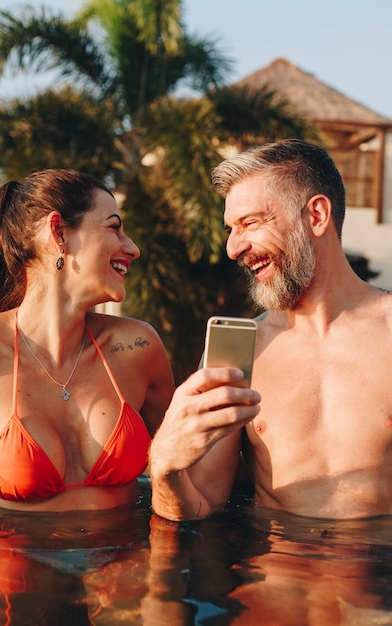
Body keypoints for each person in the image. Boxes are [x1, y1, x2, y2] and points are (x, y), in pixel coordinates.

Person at [149, 138, 392, 521]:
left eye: (250, 223)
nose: (233, 248)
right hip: (276, 573)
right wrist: (164, 466)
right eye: (231, 228)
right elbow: (200, 508)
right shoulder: (242, 349)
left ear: (316, 216)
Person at [0, 168, 175, 511]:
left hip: (122, 559)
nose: (133, 248)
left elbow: (195, 470)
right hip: (11, 559)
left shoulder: (137, 347)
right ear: (58, 232)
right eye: (114, 227)